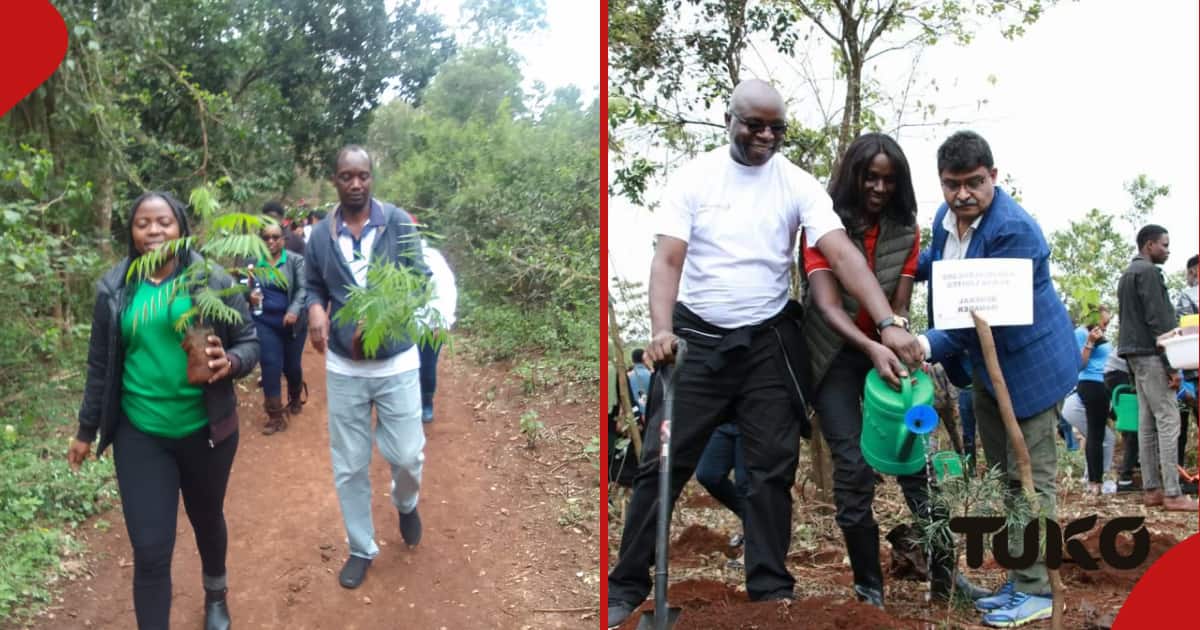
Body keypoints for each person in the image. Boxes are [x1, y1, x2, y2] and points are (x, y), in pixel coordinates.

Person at [607, 80, 923, 628]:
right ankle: (626, 586)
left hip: (768, 343)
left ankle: (771, 589)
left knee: (770, 469)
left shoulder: (796, 183)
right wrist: (661, 329)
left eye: (777, 127)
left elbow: (842, 254)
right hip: (697, 342)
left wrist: (891, 323)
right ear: (728, 118)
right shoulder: (693, 179)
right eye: (754, 124)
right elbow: (668, 261)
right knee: (663, 464)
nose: (766, 136)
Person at [909, 131, 1078, 628]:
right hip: (986, 369)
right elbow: (936, 264)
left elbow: (982, 313)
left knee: (1033, 482)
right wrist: (897, 271)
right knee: (1006, 478)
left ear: (994, 177)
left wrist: (923, 345)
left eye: (974, 183)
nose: (963, 194)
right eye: (951, 184)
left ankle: (1039, 590)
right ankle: (1023, 576)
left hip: (1027, 370)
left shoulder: (1014, 231)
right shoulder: (946, 219)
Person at [67, 191, 259, 630]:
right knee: (150, 549)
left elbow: (249, 342)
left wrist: (231, 363)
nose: (154, 231)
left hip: (205, 429)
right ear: (131, 233)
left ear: (181, 227)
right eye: (143, 223)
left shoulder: (209, 279)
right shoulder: (114, 288)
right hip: (141, 433)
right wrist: (86, 429)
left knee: (207, 517)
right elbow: (100, 363)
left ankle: (216, 594)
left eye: (164, 222)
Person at [801, 132, 958, 607]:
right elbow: (827, 307)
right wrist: (873, 344)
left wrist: (902, 338)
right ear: (854, 176)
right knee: (852, 466)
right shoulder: (820, 225)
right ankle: (869, 589)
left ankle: (948, 584)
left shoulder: (906, 231)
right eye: (870, 177)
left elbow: (901, 301)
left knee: (918, 462)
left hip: (888, 350)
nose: (879, 187)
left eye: (889, 180)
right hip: (834, 356)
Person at [305, 145, 431, 589]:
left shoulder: (397, 223)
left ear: (372, 178)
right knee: (350, 463)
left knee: (406, 453)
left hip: (396, 360)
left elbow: (421, 280)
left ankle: (406, 501)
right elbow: (313, 284)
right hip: (345, 368)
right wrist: (316, 310)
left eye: (362, 176)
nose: (355, 184)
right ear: (334, 181)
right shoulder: (320, 235)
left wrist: (386, 308)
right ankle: (361, 546)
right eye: (346, 176)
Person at [1116, 225, 1198, 511]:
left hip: (1134, 355)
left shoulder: (1127, 274)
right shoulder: (1149, 273)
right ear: (1149, 245)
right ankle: (1173, 493)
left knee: (1147, 422)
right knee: (1168, 419)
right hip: (1151, 354)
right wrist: (1170, 365)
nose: (1167, 250)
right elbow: (1159, 322)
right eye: (1164, 244)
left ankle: (1152, 490)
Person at [248, 222, 308, 434]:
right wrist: (249, 296)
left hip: (293, 324)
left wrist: (293, 310)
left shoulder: (295, 261)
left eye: (275, 237)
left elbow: (302, 289)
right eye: (266, 237)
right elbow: (243, 286)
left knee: (291, 366)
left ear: (283, 239)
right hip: (265, 322)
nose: (271, 241)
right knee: (270, 366)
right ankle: (275, 416)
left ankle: (295, 396)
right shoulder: (254, 262)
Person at [416, 234, 457, 424]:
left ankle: (426, 403)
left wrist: (443, 321)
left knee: (427, 366)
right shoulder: (393, 254)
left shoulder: (432, 258)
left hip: (430, 324)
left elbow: (447, 289)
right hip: (403, 326)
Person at [1074, 306, 1114, 495]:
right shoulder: (1081, 333)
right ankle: (1094, 482)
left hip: (1102, 385)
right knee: (1095, 435)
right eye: (1104, 323)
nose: (1106, 327)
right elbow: (1079, 364)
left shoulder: (1101, 336)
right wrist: (1090, 342)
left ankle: (1096, 479)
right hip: (1092, 383)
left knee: (1098, 434)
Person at [627, 348, 652, 419]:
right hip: (649, 413)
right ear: (644, 359)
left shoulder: (628, 376)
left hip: (633, 414)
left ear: (632, 360)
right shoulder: (651, 375)